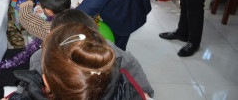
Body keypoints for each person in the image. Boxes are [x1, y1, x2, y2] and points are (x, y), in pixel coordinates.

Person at [25, 9, 154, 99]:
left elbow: (32, 87)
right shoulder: (115, 53)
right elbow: (144, 90)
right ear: (96, 32)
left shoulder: (39, 58)